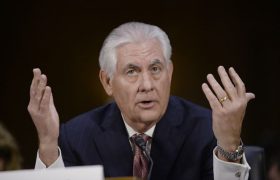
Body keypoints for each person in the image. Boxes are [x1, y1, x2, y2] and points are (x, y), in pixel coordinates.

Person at [27, 22, 255, 179]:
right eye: (132, 71)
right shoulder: (76, 137)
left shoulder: (207, 129)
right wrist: (48, 143)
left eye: (155, 69)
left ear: (170, 73)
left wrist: (228, 143)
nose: (147, 85)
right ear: (107, 81)